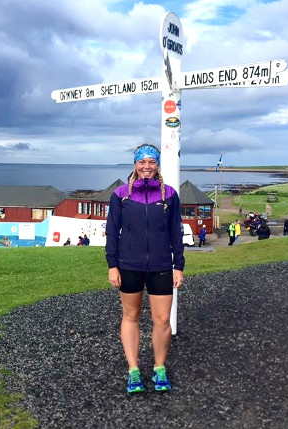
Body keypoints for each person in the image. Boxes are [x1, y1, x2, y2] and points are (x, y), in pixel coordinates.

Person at [105, 143, 184, 394]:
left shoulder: (169, 194)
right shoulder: (120, 195)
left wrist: (178, 265)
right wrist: (112, 265)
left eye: (151, 162)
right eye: (142, 162)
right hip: (129, 265)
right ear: (135, 165)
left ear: (157, 165)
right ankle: (133, 370)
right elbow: (112, 233)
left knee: (162, 320)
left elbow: (175, 232)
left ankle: (159, 368)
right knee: (131, 317)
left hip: (161, 265)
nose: (147, 167)